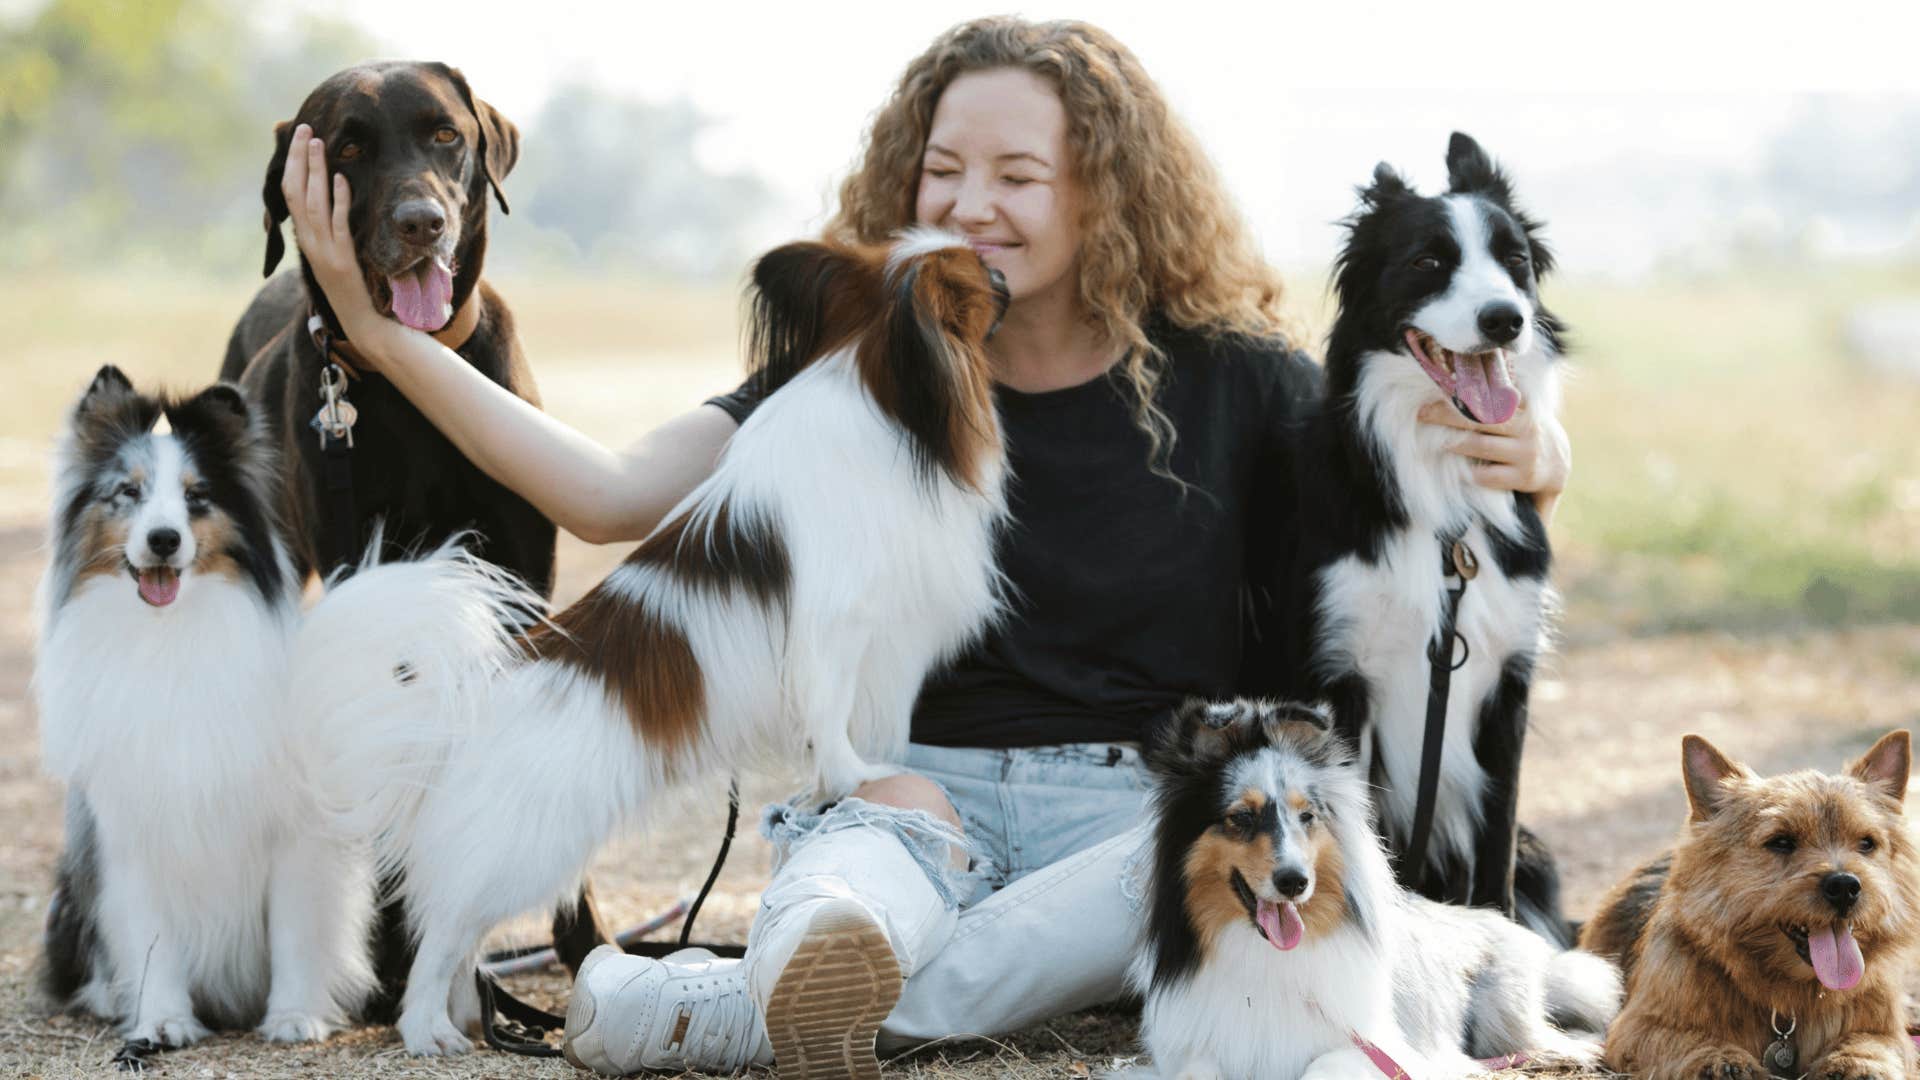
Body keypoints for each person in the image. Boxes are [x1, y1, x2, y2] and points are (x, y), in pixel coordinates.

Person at [280, 16, 1571, 1078]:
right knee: (844, 892)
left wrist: (1540, 458)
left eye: (1020, 175)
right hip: (909, 798)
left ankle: (727, 1012)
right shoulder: (855, 364)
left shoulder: (1239, 384)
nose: (974, 204)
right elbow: (612, 494)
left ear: (1105, 191)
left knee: (1178, 870)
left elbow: (1402, 488)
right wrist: (380, 336)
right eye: (947, 169)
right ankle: (815, 969)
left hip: (1123, 812)